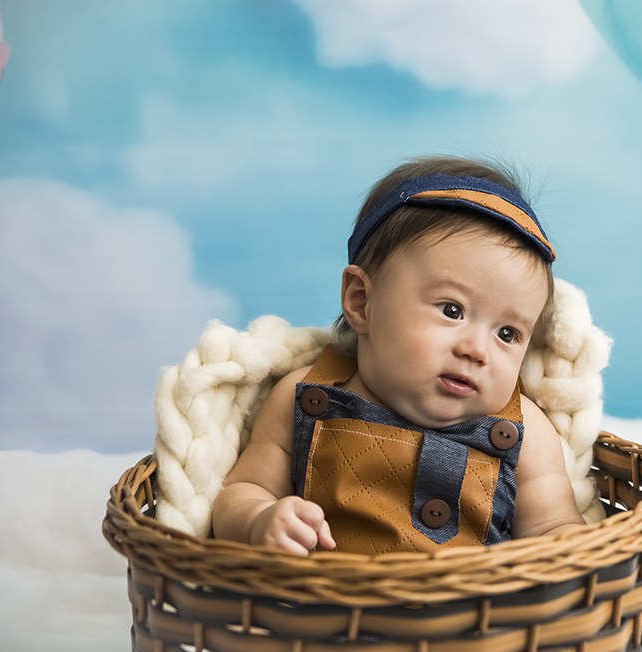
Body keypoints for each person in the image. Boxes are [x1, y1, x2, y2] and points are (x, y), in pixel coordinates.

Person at [212, 156, 585, 556]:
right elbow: (241, 493)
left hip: (476, 613)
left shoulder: (526, 431)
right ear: (362, 301)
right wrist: (258, 521)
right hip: (323, 607)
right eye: (452, 310)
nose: (477, 351)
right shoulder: (305, 396)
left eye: (507, 334)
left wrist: (576, 550)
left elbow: (555, 528)